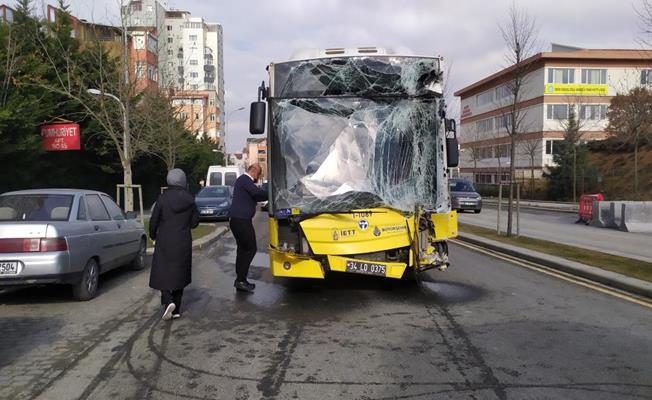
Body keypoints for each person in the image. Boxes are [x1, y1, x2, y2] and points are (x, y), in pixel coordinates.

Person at [149, 169, 200, 320]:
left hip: (165, 240)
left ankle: (168, 300)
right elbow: (195, 222)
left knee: (162, 271)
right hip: (183, 240)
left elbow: (154, 219)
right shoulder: (190, 199)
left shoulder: (163, 198)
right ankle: (176, 309)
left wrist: (153, 235)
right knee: (180, 272)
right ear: (183, 181)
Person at [229, 164, 268, 293]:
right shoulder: (245, 180)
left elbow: (256, 195)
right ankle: (240, 280)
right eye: (259, 173)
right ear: (254, 171)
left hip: (237, 220)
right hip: (241, 220)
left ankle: (240, 280)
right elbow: (257, 193)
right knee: (251, 248)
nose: (259, 177)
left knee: (243, 249)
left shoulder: (242, 181)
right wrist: (271, 193)